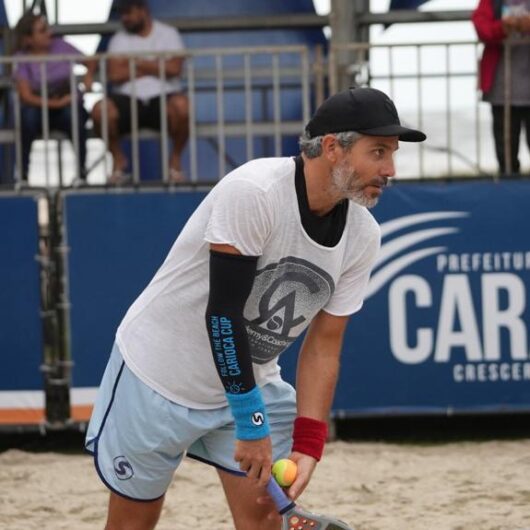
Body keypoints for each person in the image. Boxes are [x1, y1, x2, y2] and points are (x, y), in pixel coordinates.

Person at [85, 87, 426, 530]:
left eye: (392, 154)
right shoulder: (255, 191)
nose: (390, 169)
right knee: (133, 524)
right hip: (160, 375)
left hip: (251, 378)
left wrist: (308, 443)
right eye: (377, 151)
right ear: (331, 148)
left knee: (266, 519)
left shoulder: (363, 235)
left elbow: (323, 347)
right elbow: (222, 316)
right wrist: (252, 421)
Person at [91, 0, 189, 184]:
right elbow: (115, 74)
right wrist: (158, 66)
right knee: (99, 110)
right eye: (122, 14)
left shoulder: (168, 33)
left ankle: (175, 160)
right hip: (127, 99)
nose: (124, 18)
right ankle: (118, 158)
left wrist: (136, 62)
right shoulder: (119, 39)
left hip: (163, 98)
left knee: (183, 106)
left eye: (129, 12)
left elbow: (175, 68)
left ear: (143, 11)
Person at [13, 11, 93, 185]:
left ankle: (81, 173)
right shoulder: (21, 58)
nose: (49, 33)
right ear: (28, 39)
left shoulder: (62, 46)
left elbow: (91, 61)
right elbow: (26, 96)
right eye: (42, 30)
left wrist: (87, 79)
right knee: (26, 118)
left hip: (66, 105)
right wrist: (56, 103)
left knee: (74, 116)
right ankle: (22, 174)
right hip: (39, 106)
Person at [472, 0, 530, 176]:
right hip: (502, 91)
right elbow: (481, 26)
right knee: (506, 153)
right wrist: (502, 28)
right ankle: (510, 191)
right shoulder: (491, 1)